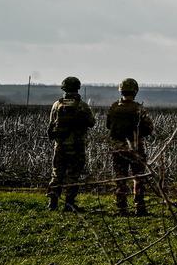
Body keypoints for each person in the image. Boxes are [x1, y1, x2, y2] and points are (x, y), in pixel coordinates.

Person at [106, 78, 153, 216]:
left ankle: (122, 208)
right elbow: (149, 128)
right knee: (139, 178)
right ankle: (140, 207)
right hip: (135, 148)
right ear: (135, 91)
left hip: (118, 148)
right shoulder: (139, 108)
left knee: (120, 179)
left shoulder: (113, 107)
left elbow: (108, 125)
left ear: (121, 91)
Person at [47, 76, 95, 212]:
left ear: (64, 88)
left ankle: (52, 203)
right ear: (78, 88)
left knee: (57, 174)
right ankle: (69, 204)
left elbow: (51, 125)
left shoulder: (57, 105)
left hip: (60, 145)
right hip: (77, 145)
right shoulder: (82, 105)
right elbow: (91, 122)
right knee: (73, 175)